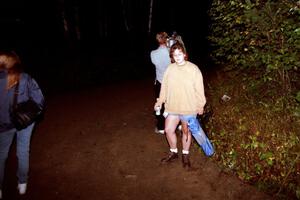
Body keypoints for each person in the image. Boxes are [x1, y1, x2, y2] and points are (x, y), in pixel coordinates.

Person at [154, 42, 206, 168]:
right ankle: (173, 152)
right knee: (168, 130)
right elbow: (164, 88)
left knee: (185, 132)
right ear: (172, 56)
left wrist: (201, 105)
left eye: (179, 54)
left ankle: (185, 155)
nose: (177, 57)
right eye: (174, 55)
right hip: (172, 106)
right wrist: (159, 102)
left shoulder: (193, 69)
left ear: (184, 54)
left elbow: (199, 90)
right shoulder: (170, 69)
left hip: (188, 107)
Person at [0, 51, 44, 198]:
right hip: (24, 121)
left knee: (1, 155)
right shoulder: (25, 77)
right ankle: (22, 184)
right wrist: (32, 115)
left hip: (3, 125)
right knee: (23, 150)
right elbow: (39, 100)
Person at [150, 32, 171, 134]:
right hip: (172, 82)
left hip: (159, 82)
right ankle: (178, 125)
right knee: (173, 102)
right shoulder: (171, 51)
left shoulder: (153, 53)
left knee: (159, 104)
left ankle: (161, 127)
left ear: (158, 40)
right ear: (166, 39)